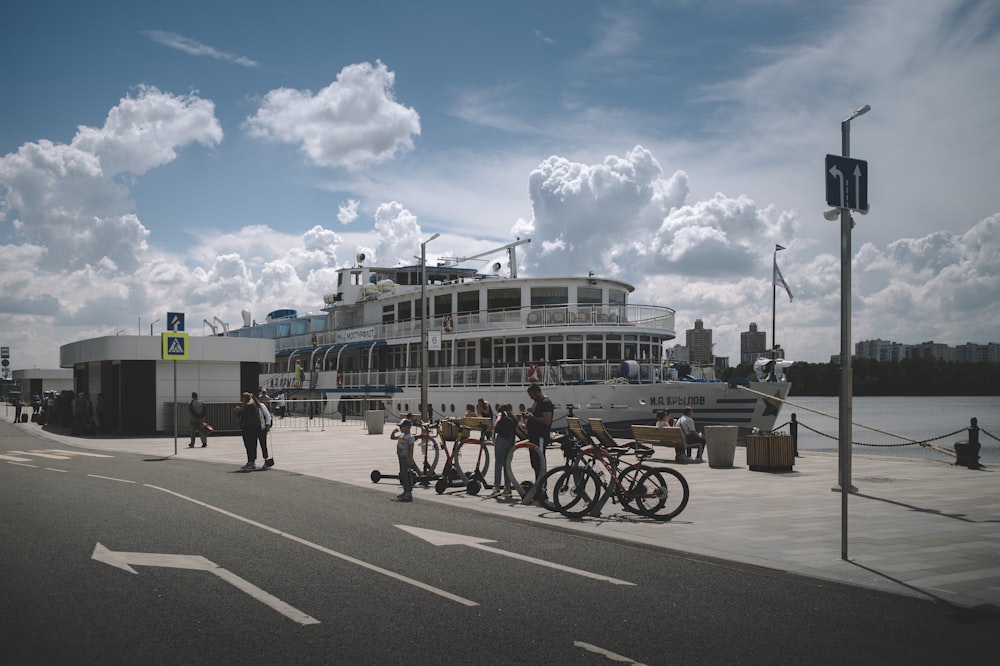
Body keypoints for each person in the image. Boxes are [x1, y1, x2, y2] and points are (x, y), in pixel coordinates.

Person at [522, 384, 554, 501]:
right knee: (535, 463)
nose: (531, 398)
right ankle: (539, 487)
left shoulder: (546, 402)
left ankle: (542, 490)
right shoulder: (538, 402)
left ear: (536, 392)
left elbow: (546, 420)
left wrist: (532, 417)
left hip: (540, 437)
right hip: (534, 437)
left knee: (540, 463)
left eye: (531, 395)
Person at [489, 404, 517, 498]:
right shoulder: (513, 417)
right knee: (507, 465)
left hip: (501, 439)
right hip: (511, 441)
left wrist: (493, 434)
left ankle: (496, 487)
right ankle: (507, 488)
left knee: (498, 463)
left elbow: (497, 421)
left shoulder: (501, 414)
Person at [236, 392, 264, 471]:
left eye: (243, 398)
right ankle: (251, 462)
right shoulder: (252, 404)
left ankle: (251, 462)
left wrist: (239, 412)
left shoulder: (249, 405)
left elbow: (245, 416)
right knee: (251, 445)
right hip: (252, 428)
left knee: (249, 445)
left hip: (249, 428)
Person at [389, 418, 415, 502]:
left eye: (402, 427)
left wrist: (410, 459)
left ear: (408, 427)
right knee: (403, 475)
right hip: (400, 457)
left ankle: (408, 493)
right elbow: (392, 438)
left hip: (406, 458)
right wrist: (393, 432)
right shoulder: (401, 436)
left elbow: (411, 449)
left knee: (406, 475)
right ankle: (405, 491)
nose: (400, 428)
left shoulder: (410, 437)